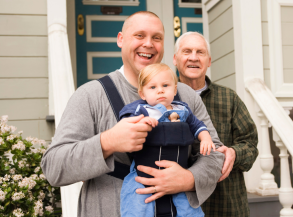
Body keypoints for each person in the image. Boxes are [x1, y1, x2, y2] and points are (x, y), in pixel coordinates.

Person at [41, 12, 224, 217]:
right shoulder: (90, 95)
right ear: (121, 39)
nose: (148, 44)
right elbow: (54, 168)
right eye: (139, 35)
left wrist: (189, 179)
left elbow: (215, 153)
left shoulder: (186, 96)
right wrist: (107, 142)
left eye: (157, 38)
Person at [173, 31, 259, 217]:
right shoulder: (163, 99)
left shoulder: (229, 99)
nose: (193, 58)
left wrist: (234, 153)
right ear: (175, 59)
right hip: (178, 205)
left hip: (225, 205)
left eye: (200, 52)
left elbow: (251, 145)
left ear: (209, 61)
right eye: (187, 51)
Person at [120, 63, 217, 216]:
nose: (160, 90)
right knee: (138, 205)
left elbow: (197, 125)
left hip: (179, 174)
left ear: (175, 89)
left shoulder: (182, 110)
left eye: (165, 85)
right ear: (142, 94)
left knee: (189, 209)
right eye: (152, 87)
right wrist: (142, 123)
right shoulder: (141, 110)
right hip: (144, 174)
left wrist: (205, 138)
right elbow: (126, 127)